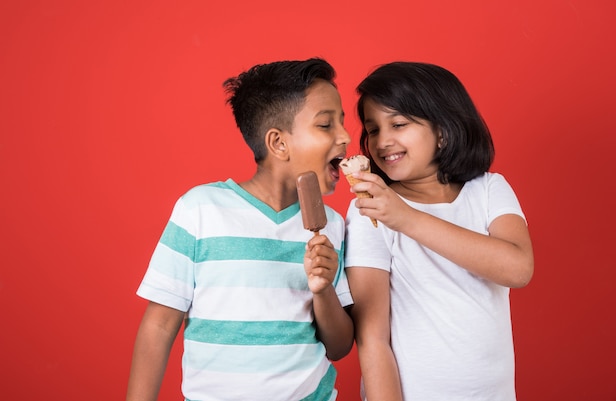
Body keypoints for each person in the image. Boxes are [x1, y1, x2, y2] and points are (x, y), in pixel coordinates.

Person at [126, 58, 354, 401]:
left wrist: (322, 290)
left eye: (342, 122)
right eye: (326, 125)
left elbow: (339, 346)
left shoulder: (333, 227)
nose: (346, 136)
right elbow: (159, 326)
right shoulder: (200, 210)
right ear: (278, 143)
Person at [344, 62, 534, 400]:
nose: (383, 141)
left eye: (398, 124)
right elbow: (372, 339)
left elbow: (517, 269)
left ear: (443, 130)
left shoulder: (488, 190)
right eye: (373, 129)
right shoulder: (369, 209)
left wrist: (407, 219)